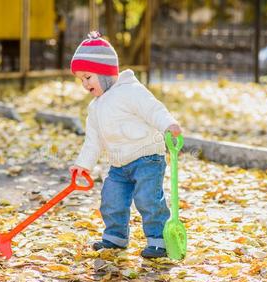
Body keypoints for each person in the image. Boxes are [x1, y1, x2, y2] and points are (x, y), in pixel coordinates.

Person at [69, 31, 182, 258]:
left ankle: (158, 240)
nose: (84, 84)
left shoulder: (130, 91)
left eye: (88, 77)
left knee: (147, 199)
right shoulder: (95, 108)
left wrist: (168, 124)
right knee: (111, 199)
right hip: (119, 165)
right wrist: (84, 164)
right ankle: (115, 237)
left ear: (105, 72)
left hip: (147, 159)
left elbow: (153, 109)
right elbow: (93, 140)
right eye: (81, 79)